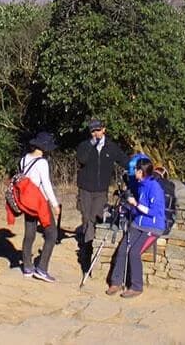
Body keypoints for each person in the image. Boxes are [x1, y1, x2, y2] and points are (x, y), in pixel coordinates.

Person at [106, 156, 165, 299]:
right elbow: (137, 206)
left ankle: (136, 286)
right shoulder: (141, 184)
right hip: (138, 222)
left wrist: (135, 205)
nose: (134, 174)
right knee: (122, 249)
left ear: (141, 171)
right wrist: (128, 208)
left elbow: (154, 212)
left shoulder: (154, 187)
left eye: (136, 171)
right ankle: (116, 282)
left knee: (134, 252)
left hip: (153, 226)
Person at [75, 118, 127, 249]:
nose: (96, 133)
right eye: (93, 131)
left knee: (96, 217)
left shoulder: (111, 147)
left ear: (103, 130)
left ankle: (91, 244)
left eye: (98, 130)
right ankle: (87, 248)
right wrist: (91, 144)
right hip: (85, 189)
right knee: (86, 218)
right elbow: (82, 159)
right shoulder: (84, 146)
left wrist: (140, 168)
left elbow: (124, 161)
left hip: (101, 190)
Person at [20, 131, 61, 282]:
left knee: (29, 233)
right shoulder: (42, 162)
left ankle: (27, 266)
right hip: (40, 202)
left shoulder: (25, 159)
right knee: (52, 234)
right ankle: (42, 268)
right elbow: (46, 185)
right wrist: (55, 204)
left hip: (26, 202)